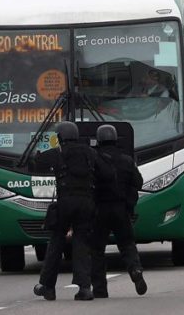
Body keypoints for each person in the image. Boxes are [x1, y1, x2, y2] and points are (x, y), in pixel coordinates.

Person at [33, 122, 107, 301]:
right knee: (82, 244)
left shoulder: (57, 153)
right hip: (86, 204)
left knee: (56, 243)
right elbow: (106, 172)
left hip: (65, 204)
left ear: (59, 138)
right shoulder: (90, 153)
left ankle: (48, 287)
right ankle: (85, 288)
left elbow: (36, 163)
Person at [90, 124, 147, 299]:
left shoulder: (95, 160)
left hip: (100, 210)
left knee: (97, 250)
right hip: (121, 209)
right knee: (127, 244)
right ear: (115, 139)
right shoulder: (126, 160)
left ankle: (100, 289)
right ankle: (135, 270)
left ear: (98, 140)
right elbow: (138, 182)